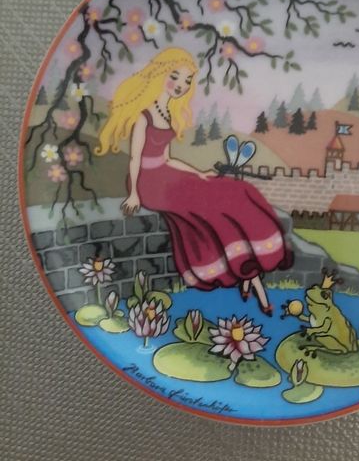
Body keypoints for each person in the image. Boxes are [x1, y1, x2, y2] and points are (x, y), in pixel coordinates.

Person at [96, 47, 292, 315]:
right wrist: (134, 195)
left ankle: (249, 262)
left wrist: (196, 172)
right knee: (208, 205)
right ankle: (244, 269)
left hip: (167, 174)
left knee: (236, 189)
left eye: (187, 80)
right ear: (161, 75)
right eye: (175, 77)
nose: (180, 85)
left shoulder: (167, 113)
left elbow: (167, 157)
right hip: (148, 183)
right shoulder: (144, 116)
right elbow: (135, 158)